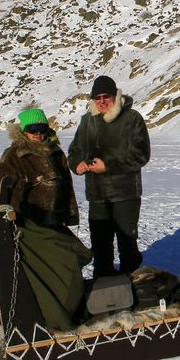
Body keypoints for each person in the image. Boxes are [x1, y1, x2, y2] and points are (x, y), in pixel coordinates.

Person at [0, 108, 92, 330]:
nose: (37, 133)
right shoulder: (14, 156)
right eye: (32, 129)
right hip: (28, 228)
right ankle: (54, 316)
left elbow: (66, 190)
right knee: (60, 266)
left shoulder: (55, 153)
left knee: (74, 258)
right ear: (23, 131)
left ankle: (67, 308)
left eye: (41, 128)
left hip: (53, 224)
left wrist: (68, 216)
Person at [68, 75, 151, 277]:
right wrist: (76, 164)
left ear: (115, 96)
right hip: (97, 196)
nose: (102, 101)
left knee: (127, 244)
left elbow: (141, 155)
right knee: (100, 245)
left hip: (125, 194)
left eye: (107, 96)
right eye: (98, 97)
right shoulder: (87, 121)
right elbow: (75, 151)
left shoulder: (132, 119)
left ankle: (132, 284)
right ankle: (103, 287)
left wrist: (109, 166)